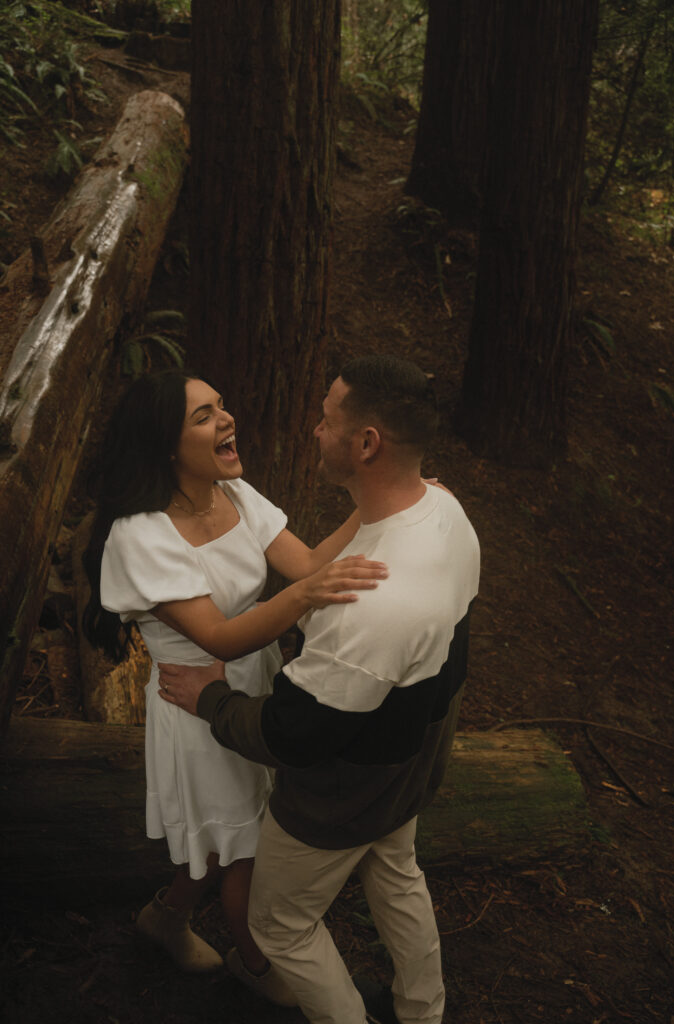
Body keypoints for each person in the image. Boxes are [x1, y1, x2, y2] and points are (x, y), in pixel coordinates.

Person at [158, 353, 481, 1024]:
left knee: (280, 926)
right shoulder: (443, 510)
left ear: (366, 443)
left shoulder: (370, 605)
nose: (313, 429)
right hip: (414, 757)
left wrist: (210, 698)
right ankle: (424, 1012)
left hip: (344, 791)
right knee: (395, 870)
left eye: (326, 419)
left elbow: (290, 736)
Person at [82, 370, 387, 1006]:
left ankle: (164, 916)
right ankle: (261, 967)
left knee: (234, 834)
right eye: (203, 415)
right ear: (166, 446)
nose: (226, 419)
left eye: (222, 406)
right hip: (197, 704)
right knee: (247, 846)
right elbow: (218, 637)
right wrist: (303, 597)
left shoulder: (236, 493)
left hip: (256, 687)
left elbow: (304, 564)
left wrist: (378, 499)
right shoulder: (140, 535)